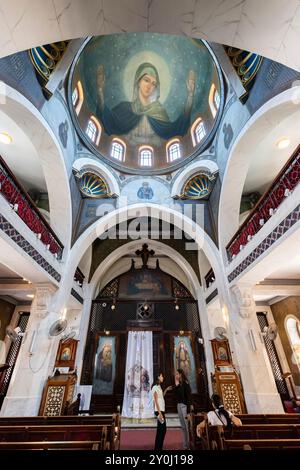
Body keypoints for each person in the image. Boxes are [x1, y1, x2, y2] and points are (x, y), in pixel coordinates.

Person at [96, 62, 196, 146]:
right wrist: (100, 90)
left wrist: (190, 95)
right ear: (138, 81)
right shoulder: (124, 108)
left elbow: (176, 129)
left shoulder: (159, 111)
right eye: (146, 80)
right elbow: (106, 117)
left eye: (153, 83)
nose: (149, 86)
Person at [172, 368, 192, 450]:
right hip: (179, 406)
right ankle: (185, 445)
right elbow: (176, 396)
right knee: (183, 427)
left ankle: (190, 444)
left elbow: (187, 397)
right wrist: (176, 386)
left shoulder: (185, 383)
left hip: (184, 406)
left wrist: (188, 411)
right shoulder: (178, 384)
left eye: (177, 374)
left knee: (187, 427)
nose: (175, 375)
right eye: (175, 374)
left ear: (180, 374)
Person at [151, 372, 170, 451]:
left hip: (161, 410)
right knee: (163, 429)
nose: (163, 377)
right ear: (158, 377)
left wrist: (166, 390)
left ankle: (158, 447)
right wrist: (159, 413)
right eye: (162, 376)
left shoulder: (159, 387)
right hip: (159, 411)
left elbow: (161, 397)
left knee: (161, 429)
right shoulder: (155, 387)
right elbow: (155, 400)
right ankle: (158, 447)